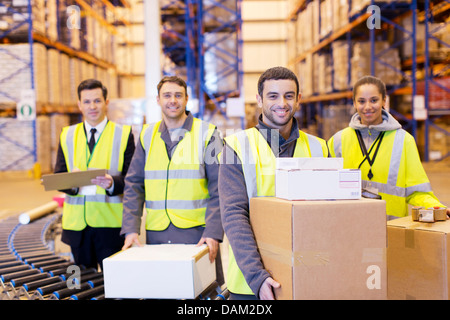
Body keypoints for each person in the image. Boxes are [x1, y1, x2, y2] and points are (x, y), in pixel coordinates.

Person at [219, 66, 329, 300]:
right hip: (252, 285)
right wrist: (257, 277)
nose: (282, 103)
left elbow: (328, 214)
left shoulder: (320, 147)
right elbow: (234, 215)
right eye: (273, 96)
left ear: (298, 99)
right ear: (259, 99)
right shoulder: (236, 147)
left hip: (309, 276)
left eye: (289, 95)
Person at [120, 76, 224, 285]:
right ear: (158, 100)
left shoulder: (208, 134)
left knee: (202, 293)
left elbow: (220, 188)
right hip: (156, 233)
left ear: (186, 99)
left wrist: (213, 231)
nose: (173, 100)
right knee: (162, 290)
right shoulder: (147, 135)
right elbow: (134, 185)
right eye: (167, 95)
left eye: (178, 95)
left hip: (197, 234)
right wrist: (131, 229)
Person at [327, 75, 449, 219]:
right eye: (361, 101)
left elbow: (417, 191)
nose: (367, 107)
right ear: (354, 103)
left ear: (384, 100)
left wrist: (438, 208)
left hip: (391, 230)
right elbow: (327, 188)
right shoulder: (338, 141)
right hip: (350, 226)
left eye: (374, 100)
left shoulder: (404, 140)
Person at [54, 79, 135, 270]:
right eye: (87, 101)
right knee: (81, 285)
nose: (92, 106)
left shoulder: (123, 134)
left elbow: (133, 180)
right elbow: (58, 175)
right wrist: (71, 181)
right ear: (79, 104)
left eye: (97, 101)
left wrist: (112, 183)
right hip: (77, 229)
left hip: (110, 226)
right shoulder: (67, 135)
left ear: (106, 102)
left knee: (115, 288)